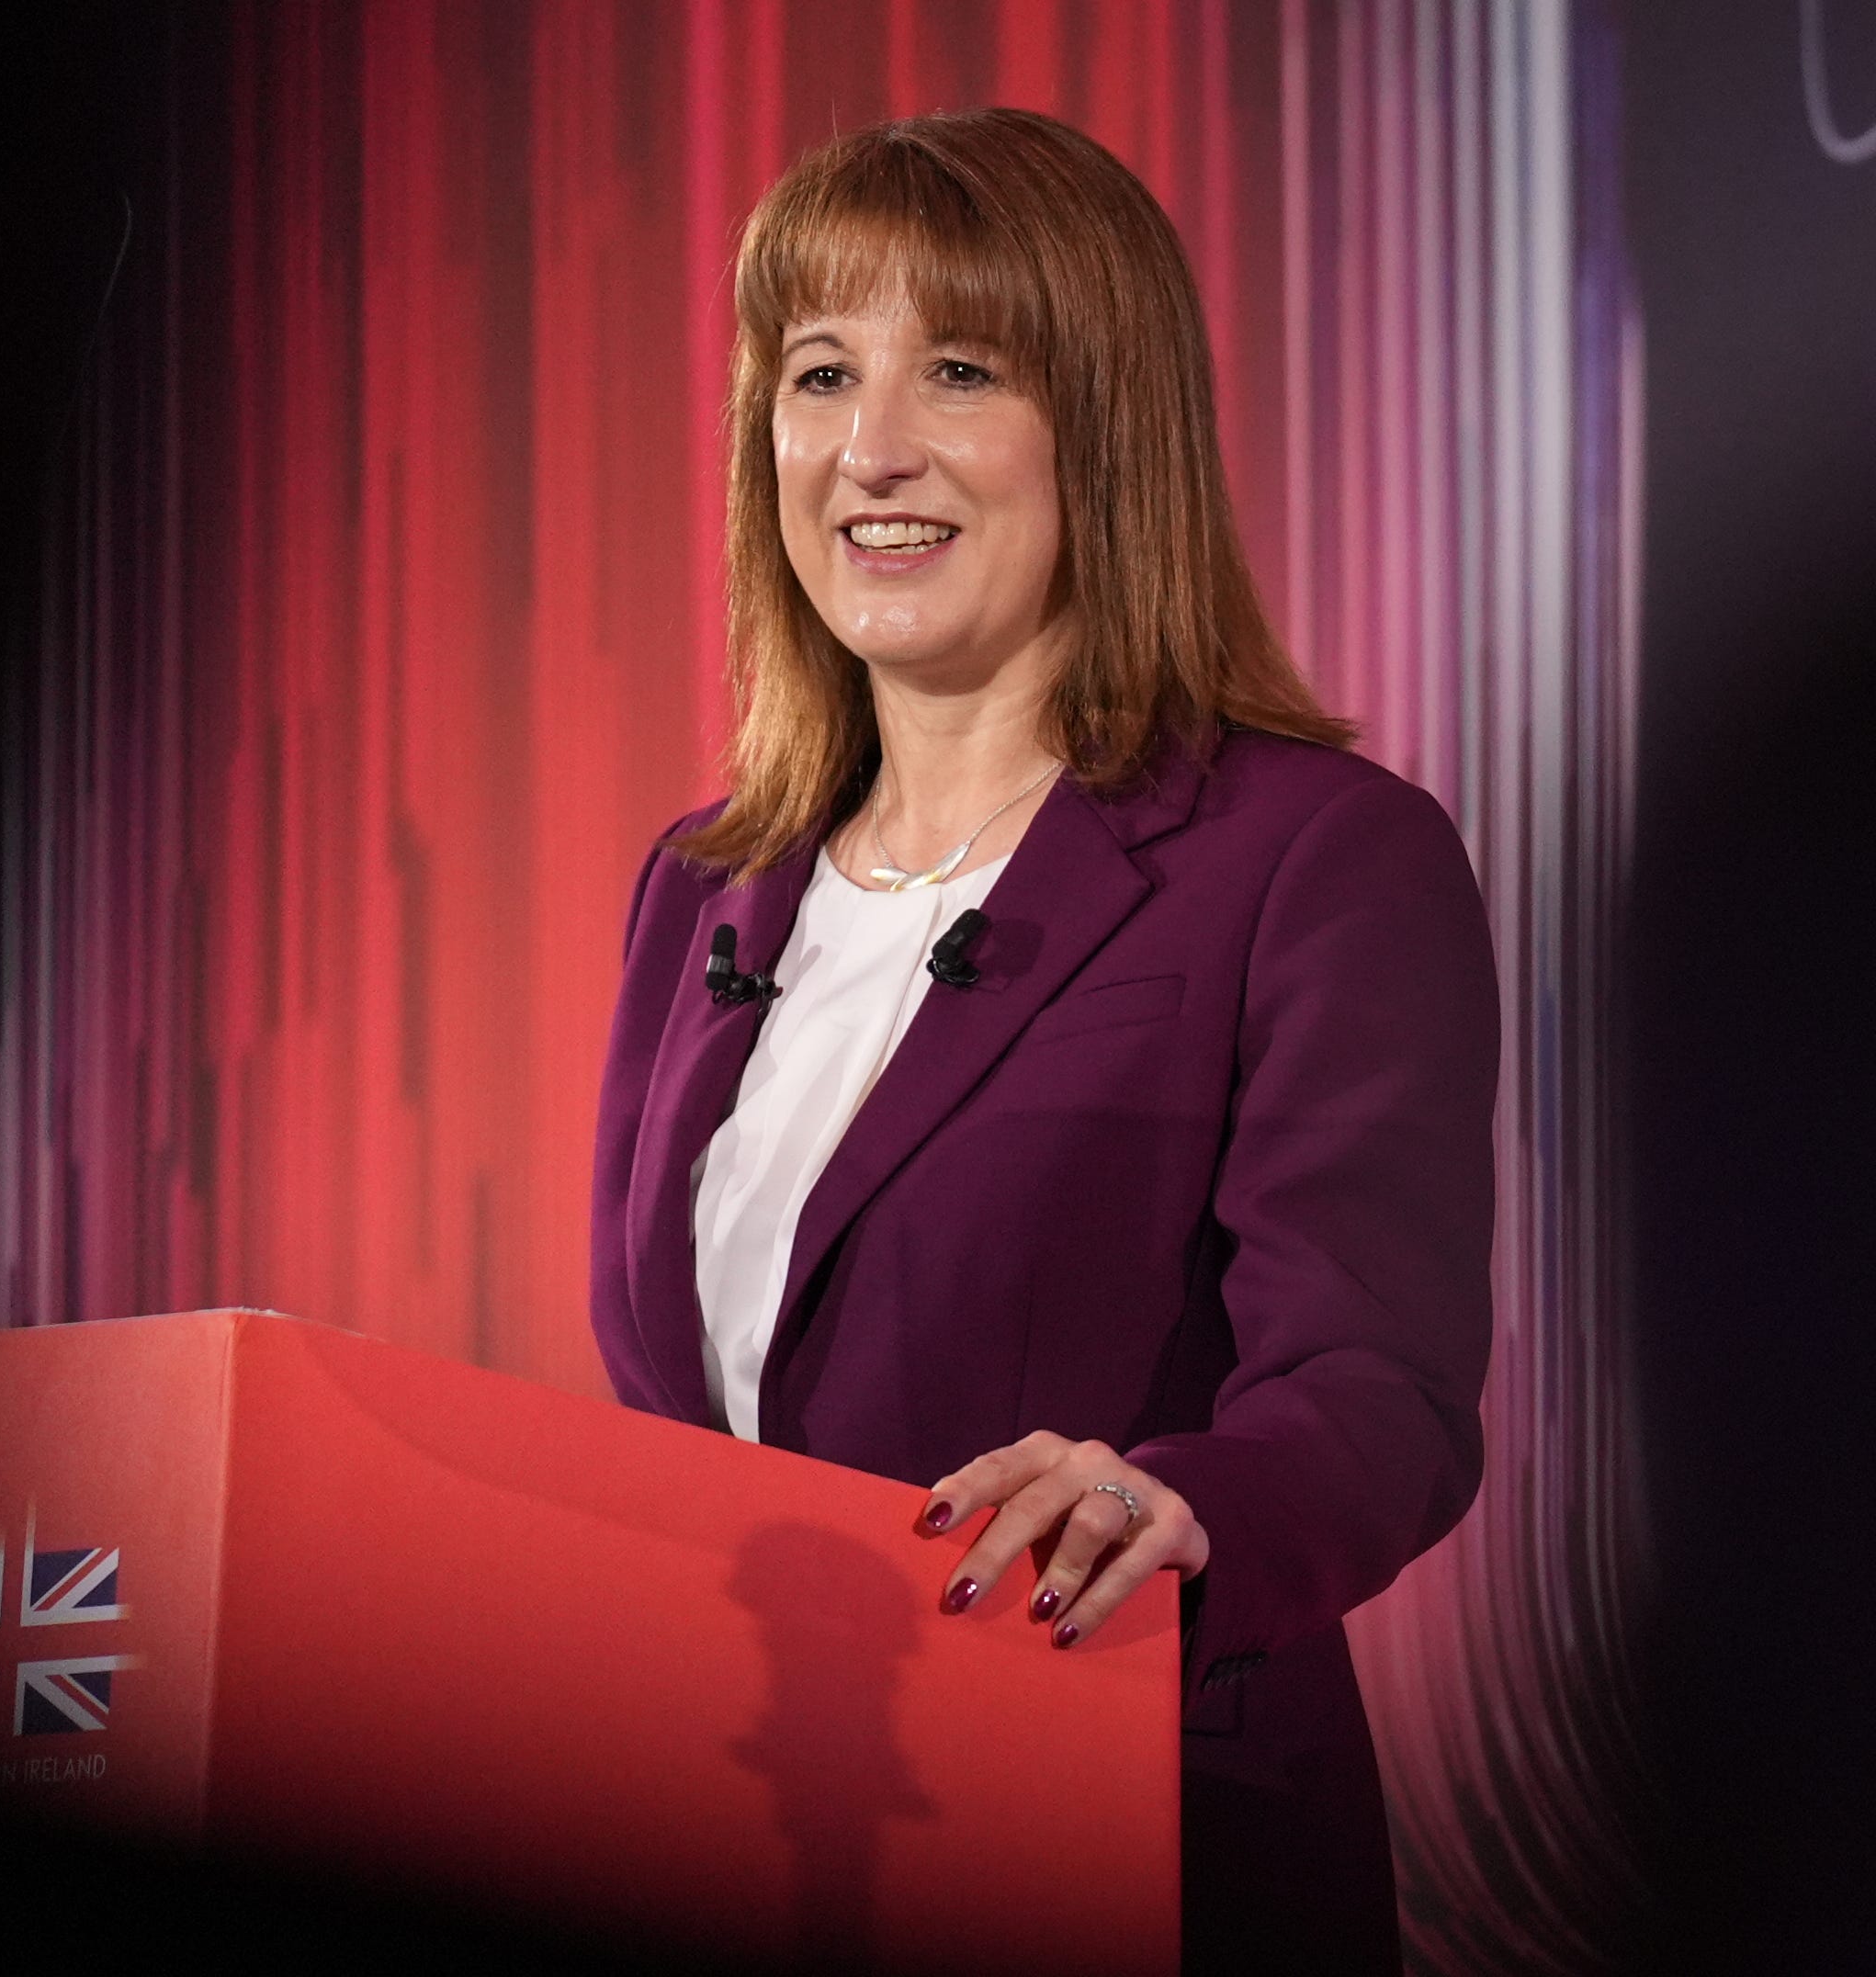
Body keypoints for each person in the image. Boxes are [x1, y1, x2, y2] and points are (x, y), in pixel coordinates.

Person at [588, 108, 1497, 1975]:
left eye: (961, 370)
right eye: (820, 373)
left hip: (1136, 1837)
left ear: (1109, 424)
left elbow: (1377, 1394)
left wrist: (1179, 1506)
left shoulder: (1317, 856)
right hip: (752, 1839)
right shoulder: (704, 887)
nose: (872, 447)